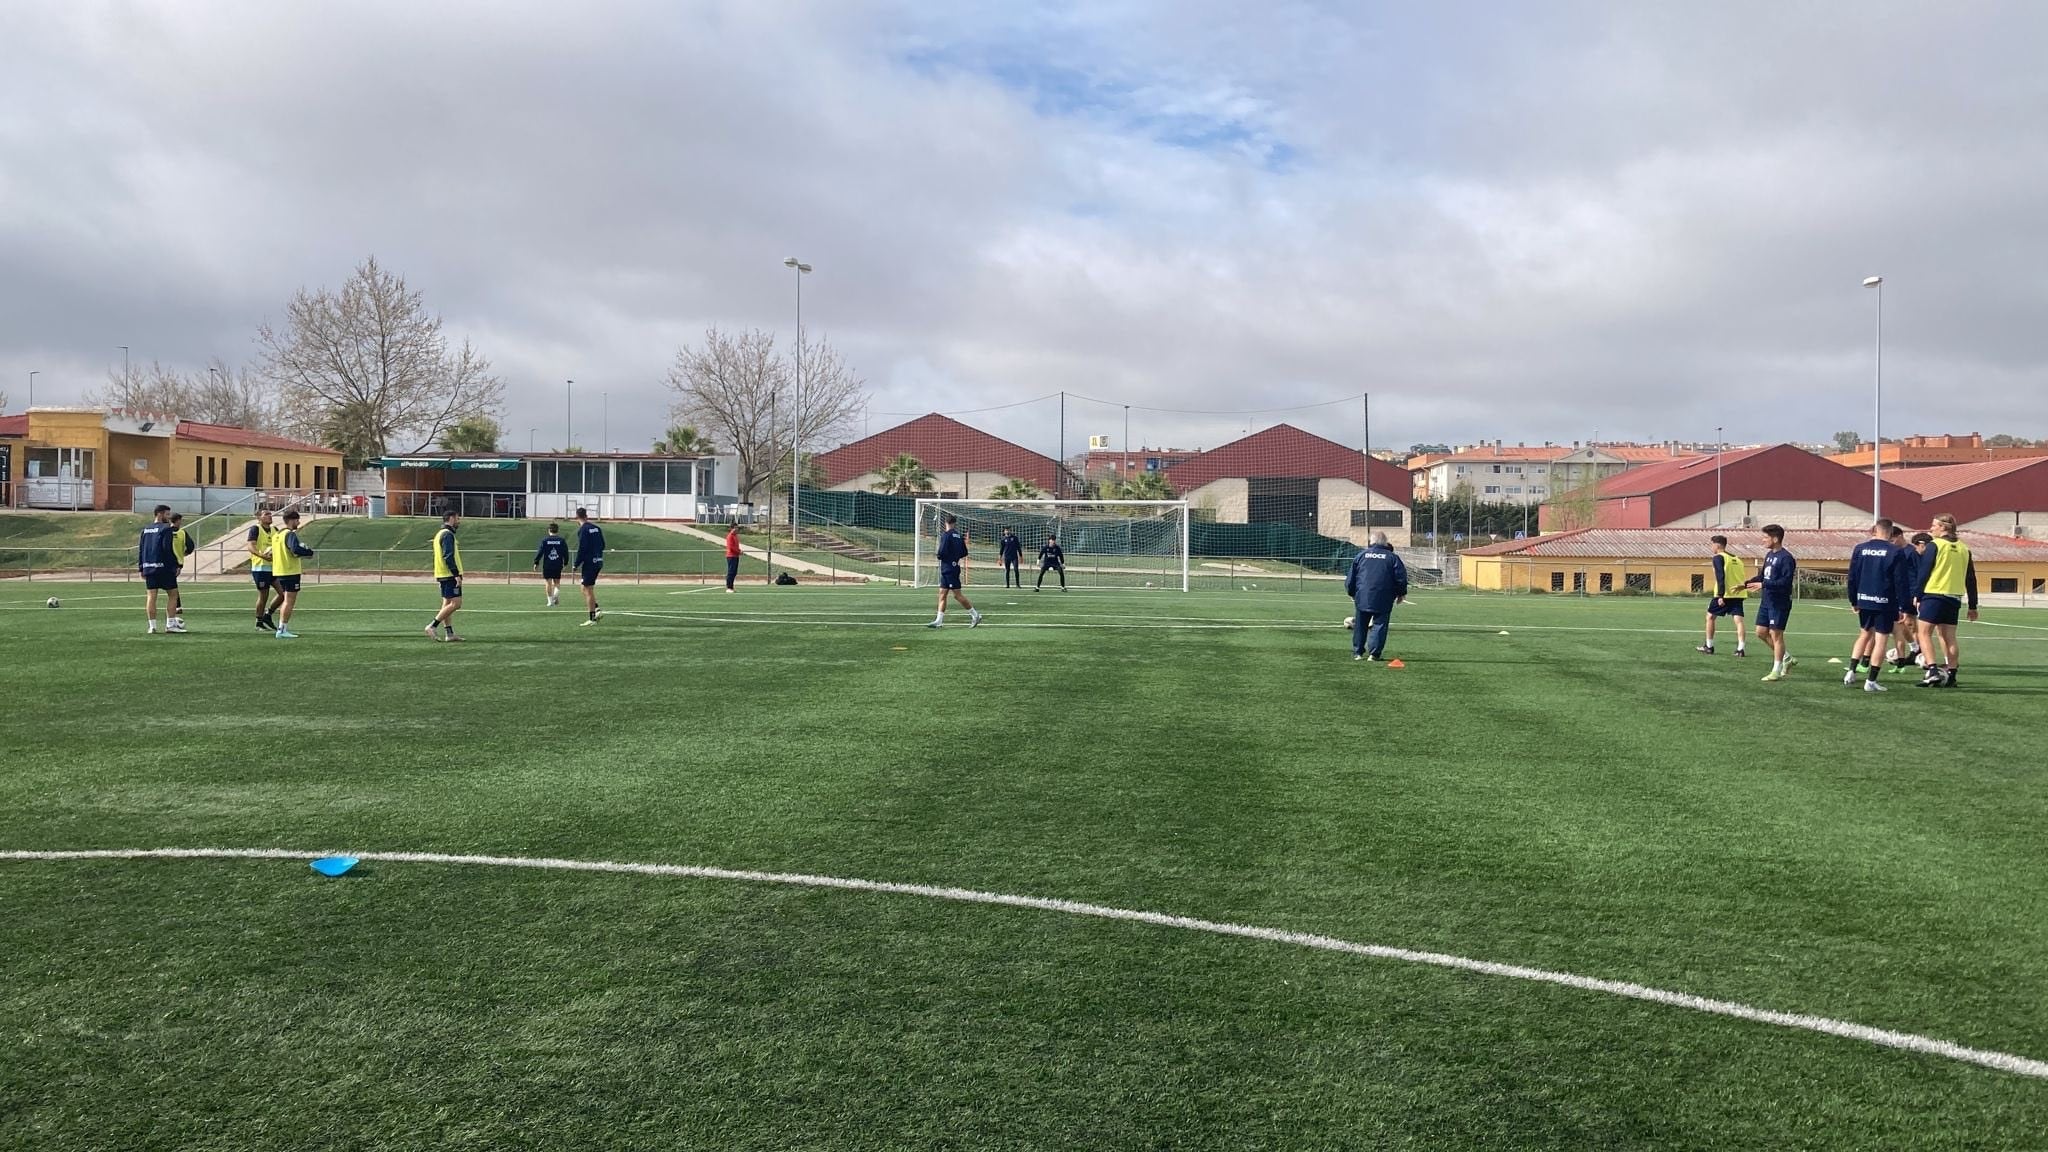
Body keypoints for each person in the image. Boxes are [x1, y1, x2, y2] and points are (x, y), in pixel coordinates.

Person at [1913, 514, 1978, 688]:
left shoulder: (1935, 545)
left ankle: (1932, 671)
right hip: (1954, 598)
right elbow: (1971, 579)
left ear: (1943, 527)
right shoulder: (1964, 548)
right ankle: (1952, 675)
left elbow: (1924, 572)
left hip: (1934, 595)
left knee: (1923, 633)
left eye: (1934, 525)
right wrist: (1973, 605)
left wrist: (1917, 595)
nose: (1931, 528)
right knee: (1949, 637)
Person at [1842, 518, 1903, 692]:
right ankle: (1871, 681)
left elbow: (1852, 576)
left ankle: (1851, 672)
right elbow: (1900, 581)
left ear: (1875, 530)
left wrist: (1854, 599)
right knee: (1881, 639)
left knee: (1864, 634)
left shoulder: (1860, 549)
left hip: (1864, 598)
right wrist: (1903, 606)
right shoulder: (1895, 551)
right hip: (1884, 601)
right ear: (1890, 532)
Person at [1743, 523, 1797, 682]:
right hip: (1767, 601)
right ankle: (1786, 658)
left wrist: (1764, 585)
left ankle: (1777, 670)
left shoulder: (1786, 558)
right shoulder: (1769, 555)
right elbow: (1762, 577)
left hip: (1779, 602)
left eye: (1765, 537)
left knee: (1776, 634)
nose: (1763, 540)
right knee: (1760, 632)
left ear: (1775, 538)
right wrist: (1746, 584)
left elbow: (1785, 583)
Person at [1344, 531, 1409, 661]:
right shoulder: (1392, 557)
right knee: (1380, 624)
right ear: (1385, 542)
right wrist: (1401, 593)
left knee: (1360, 624)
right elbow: (1401, 578)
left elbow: (1351, 578)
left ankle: (1358, 653)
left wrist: (1351, 592)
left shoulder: (1361, 555)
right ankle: (1374, 654)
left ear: (1371, 541)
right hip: (1384, 596)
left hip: (1362, 595)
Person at [928, 513, 982, 628]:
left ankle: (975, 615)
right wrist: (955, 557)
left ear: (945, 523)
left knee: (957, 595)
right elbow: (964, 552)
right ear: (954, 523)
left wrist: (941, 556)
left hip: (948, 568)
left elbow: (941, 551)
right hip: (953, 567)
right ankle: (939, 621)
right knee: (942, 594)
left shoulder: (946, 535)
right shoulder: (958, 535)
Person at [1696, 534, 1747, 656]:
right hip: (1738, 594)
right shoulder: (1737, 559)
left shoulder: (1718, 557)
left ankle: (1709, 646)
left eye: (1712, 544)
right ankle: (1740, 649)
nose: (1711, 547)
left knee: (1710, 617)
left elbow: (1720, 576)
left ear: (1717, 545)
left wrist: (1720, 595)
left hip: (1724, 593)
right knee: (1739, 620)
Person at [269, 510, 315, 639]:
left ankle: (281, 627)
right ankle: (282, 629)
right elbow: (295, 550)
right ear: (292, 520)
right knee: (289, 601)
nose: (298, 522)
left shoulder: (277, 535)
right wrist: (308, 552)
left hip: (279, 570)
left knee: (286, 599)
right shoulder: (290, 534)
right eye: (297, 520)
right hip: (290, 571)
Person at [139, 505, 181, 635]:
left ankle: (152, 626)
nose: (169, 517)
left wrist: (141, 567)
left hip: (148, 567)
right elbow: (167, 548)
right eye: (167, 514)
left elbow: (141, 549)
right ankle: (170, 624)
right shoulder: (166, 529)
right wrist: (176, 565)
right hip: (163, 568)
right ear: (159, 514)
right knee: (173, 594)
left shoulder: (145, 530)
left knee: (151, 596)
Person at [1886, 525, 1923, 669]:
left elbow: (1919, 572)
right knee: (1903, 623)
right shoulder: (1894, 552)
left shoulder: (1911, 552)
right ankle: (1915, 649)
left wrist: (1917, 593)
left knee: (1908, 623)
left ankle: (1917, 651)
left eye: (1893, 539)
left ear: (1900, 536)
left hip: (1910, 592)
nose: (1891, 542)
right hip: (1898, 592)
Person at [426, 512, 465, 642]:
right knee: (456, 603)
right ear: (452, 519)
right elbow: (448, 556)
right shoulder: (447, 535)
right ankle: (432, 626)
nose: (459, 521)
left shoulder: (440, 534)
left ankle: (449, 633)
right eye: (458, 518)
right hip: (448, 575)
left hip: (442, 573)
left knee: (447, 603)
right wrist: (456, 574)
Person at [574, 506, 605, 626]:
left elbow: (582, 548)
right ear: (586, 515)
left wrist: (576, 564)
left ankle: (592, 619)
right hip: (598, 561)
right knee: (584, 588)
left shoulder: (583, 530)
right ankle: (596, 610)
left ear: (577, 517)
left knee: (588, 589)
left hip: (590, 562)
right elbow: (603, 544)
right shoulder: (596, 528)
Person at [248, 508, 278, 631]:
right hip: (260, 568)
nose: (270, 516)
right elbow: (250, 546)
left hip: (274, 568)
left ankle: (268, 615)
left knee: (283, 593)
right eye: (266, 514)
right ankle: (259, 621)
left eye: (270, 514)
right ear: (259, 517)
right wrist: (262, 555)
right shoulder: (255, 529)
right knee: (263, 595)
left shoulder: (275, 530)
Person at [166, 512, 196, 631]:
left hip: (165, 562)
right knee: (173, 586)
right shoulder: (182, 533)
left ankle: (177, 606)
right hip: (177, 563)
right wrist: (184, 554)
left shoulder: (165, 532)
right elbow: (191, 546)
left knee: (169, 586)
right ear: (178, 520)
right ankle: (176, 607)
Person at [533, 522, 568, 606]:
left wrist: (536, 562)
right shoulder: (561, 541)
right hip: (557, 564)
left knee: (548, 582)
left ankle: (550, 601)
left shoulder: (545, 541)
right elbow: (566, 553)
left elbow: (540, 552)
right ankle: (555, 597)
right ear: (557, 530)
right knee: (557, 582)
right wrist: (565, 563)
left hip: (547, 564)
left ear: (549, 530)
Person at [724, 522, 743, 592]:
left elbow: (736, 546)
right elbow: (731, 547)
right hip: (731, 556)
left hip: (735, 556)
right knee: (731, 571)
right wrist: (738, 552)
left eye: (737, 527)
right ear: (732, 528)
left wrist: (739, 551)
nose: (737, 529)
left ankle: (731, 587)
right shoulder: (730, 536)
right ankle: (728, 587)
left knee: (734, 572)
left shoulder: (735, 536)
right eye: (735, 528)